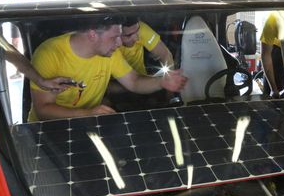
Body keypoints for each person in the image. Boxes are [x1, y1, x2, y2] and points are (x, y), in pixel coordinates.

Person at [27, 17, 187, 121]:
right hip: (48, 129)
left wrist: (162, 82)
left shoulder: (109, 53)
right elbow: (43, 111)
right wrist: (87, 114)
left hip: (89, 122)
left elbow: (134, 82)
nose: (119, 44)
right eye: (114, 37)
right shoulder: (49, 54)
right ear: (92, 35)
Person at [260, 11, 284, 97]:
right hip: (278, 56)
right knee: (272, 104)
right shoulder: (274, 19)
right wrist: (273, 89)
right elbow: (266, 55)